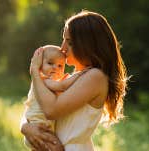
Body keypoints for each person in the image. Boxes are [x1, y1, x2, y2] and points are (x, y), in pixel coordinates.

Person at [21, 10, 127, 151]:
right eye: (64, 40)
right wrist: (26, 127)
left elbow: (51, 110)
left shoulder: (95, 77)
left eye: (70, 42)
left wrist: (35, 71)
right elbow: (35, 106)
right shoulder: (73, 77)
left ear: (87, 45)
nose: (63, 48)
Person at [22, 45, 87, 150]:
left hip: (37, 128)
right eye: (50, 63)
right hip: (38, 129)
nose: (55, 68)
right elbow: (62, 86)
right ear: (39, 65)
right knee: (58, 148)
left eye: (60, 66)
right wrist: (80, 74)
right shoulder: (43, 80)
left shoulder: (44, 81)